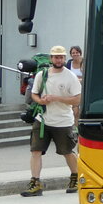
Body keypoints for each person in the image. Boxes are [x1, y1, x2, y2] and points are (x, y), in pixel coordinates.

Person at [20, 45, 81, 196]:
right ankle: (35, 182)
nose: (58, 59)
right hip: (42, 120)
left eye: (61, 57)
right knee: (35, 151)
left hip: (63, 121)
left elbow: (77, 99)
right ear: (51, 58)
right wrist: (40, 101)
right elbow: (34, 94)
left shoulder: (70, 77)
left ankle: (76, 177)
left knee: (67, 151)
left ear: (64, 58)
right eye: (55, 57)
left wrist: (56, 98)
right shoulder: (42, 74)